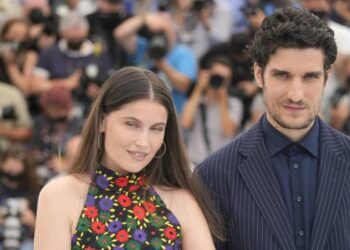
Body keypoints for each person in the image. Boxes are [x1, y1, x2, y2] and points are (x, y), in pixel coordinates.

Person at [197, 7, 350, 250]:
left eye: (310, 77)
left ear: (326, 77)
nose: (296, 95)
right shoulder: (214, 175)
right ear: (259, 74)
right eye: (282, 75)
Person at [34, 66, 222, 249]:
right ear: (101, 121)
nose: (143, 142)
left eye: (156, 128)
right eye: (132, 124)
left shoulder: (180, 201)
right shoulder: (59, 196)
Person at [181, 56, 243, 165]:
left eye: (225, 79)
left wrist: (223, 99)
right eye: (217, 76)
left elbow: (228, 132)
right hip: (193, 163)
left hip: (218, 166)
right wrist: (199, 88)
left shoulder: (234, 104)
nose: (219, 81)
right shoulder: (197, 101)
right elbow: (185, 123)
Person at [0, 145, 40, 250]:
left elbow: (47, 230)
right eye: (10, 161)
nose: (14, 167)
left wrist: (33, 222)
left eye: (18, 162)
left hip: (25, 240)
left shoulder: (34, 192)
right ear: (2, 163)